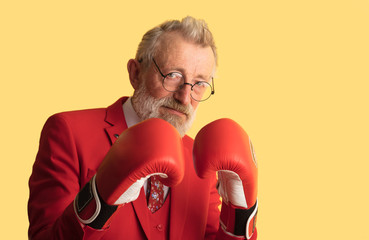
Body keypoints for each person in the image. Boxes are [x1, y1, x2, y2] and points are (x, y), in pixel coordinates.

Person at [28, 16, 258, 240]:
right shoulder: (69, 131)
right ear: (135, 73)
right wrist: (98, 197)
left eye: (199, 84)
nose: (185, 97)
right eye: (173, 75)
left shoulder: (199, 158)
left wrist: (241, 215)